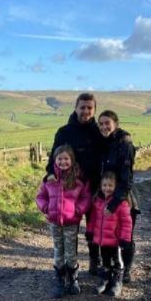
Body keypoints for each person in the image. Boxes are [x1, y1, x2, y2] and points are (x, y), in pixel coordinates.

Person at [45, 93, 103, 275]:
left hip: (95, 187)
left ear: (94, 110)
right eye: (82, 107)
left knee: (94, 228)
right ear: (75, 108)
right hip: (70, 189)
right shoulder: (64, 132)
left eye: (89, 108)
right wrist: (49, 175)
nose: (85, 111)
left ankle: (95, 261)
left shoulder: (99, 132)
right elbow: (53, 158)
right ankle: (71, 267)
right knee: (71, 230)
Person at [36, 144, 91, 299]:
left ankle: (72, 278)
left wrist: (79, 210)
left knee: (71, 252)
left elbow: (86, 197)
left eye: (66, 159)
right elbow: (40, 196)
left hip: (71, 222)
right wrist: (45, 207)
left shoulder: (78, 179)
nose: (63, 162)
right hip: (54, 222)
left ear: (72, 160)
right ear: (55, 160)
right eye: (60, 159)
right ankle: (59, 279)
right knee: (58, 250)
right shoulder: (49, 179)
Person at [94, 109, 140, 283]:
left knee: (125, 236)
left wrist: (114, 203)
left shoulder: (125, 144)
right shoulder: (103, 143)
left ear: (116, 123)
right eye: (101, 124)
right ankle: (111, 269)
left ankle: (126, 270)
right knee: (108, 236)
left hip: (123, 196)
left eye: (107, 123)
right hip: (105, 194)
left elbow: (126, 178)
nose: (104, 127)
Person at [86, 171, 132, 297]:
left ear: (116, 186)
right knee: (105, 260)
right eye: (104, 185)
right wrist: (90, 231)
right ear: (101, 186)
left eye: (110, 186)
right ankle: (105, 279)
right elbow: (93, 219)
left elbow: (126, 223)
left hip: (115, 240)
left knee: (117, 261)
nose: (107, 188)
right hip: (102, 240)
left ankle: (117, 281)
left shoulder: (121, 203)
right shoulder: (98, 201)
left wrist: (124, 238)